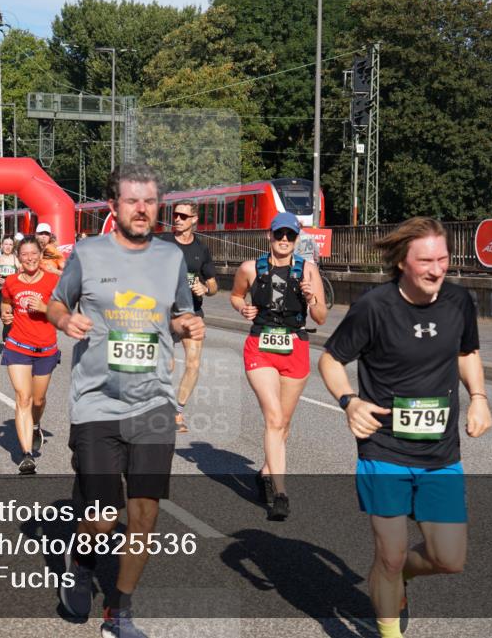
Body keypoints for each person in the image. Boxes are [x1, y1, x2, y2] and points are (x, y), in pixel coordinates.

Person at [317, 217, 492, 638]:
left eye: (443, 259)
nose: (437, 269)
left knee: (449, 558)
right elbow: (330, 359)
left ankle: (400, 580)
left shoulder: (458, 301)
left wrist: (480, 398)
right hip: (384, 449)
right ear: (402, 263)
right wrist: (349, 401)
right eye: (426, 261)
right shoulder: (375, 307)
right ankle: (389, 626)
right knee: (390, 555)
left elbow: (467, 353)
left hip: (440, 453)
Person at [48, 164, 203, 638]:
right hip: (96, 402)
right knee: (102, 518)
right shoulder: (88, 254)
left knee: (144, 514)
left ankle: (120, 611)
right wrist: (64, 321)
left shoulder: (171, 259)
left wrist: (186, 326)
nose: (142, 209)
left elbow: (178, 314)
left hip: (153, 401)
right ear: (113, 206)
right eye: (132, 200)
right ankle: (80, 559)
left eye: (150, 201)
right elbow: (57, 301)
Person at [229, 211, 327, 520]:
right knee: (273, 418)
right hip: (260, 346)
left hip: (295, 347)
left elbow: (322, 318)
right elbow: (235, 296)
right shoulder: (250, 268)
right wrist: (243, 308)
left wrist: (312, 300)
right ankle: (280, 492)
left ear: (297, 239)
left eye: (290, 236)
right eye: (278, 234)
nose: (284, 240)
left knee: (283, 423)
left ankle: (265, 472)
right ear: (269, 236)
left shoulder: (308, 270)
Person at [0, 235, 60, 474]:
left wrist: (45, 308)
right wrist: (6, 314)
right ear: (19, 257)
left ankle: (35, 425)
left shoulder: (53, 281)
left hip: (45, 348)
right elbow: (6, 301)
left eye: (33, 253)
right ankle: (26, 455)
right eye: (24, 254)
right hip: (17, 345)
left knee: (38, 400)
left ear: (40, 255)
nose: (30, 258)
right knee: (23, 398)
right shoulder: (11, 281)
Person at [157, 200, 218, 433]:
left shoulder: (201, 249)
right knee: (167, 364)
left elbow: (213, 285)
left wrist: (204, 288)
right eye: (175, 215)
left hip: (191, 311)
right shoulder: (163, 243)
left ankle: (177, 412)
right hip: (163, 311)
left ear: (194, 220)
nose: (178, 219)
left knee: (193, 363)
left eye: (183, 216)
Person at [0, 236, 22, 341]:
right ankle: (7, 343)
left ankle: (9, 343)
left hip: (13, 291)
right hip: (0, 292)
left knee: (10, 320)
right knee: (7, 319)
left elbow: (22, 274)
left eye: (10, 244)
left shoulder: (16, 259)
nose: (8, 247)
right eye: (6, 244)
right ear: (1, 246)